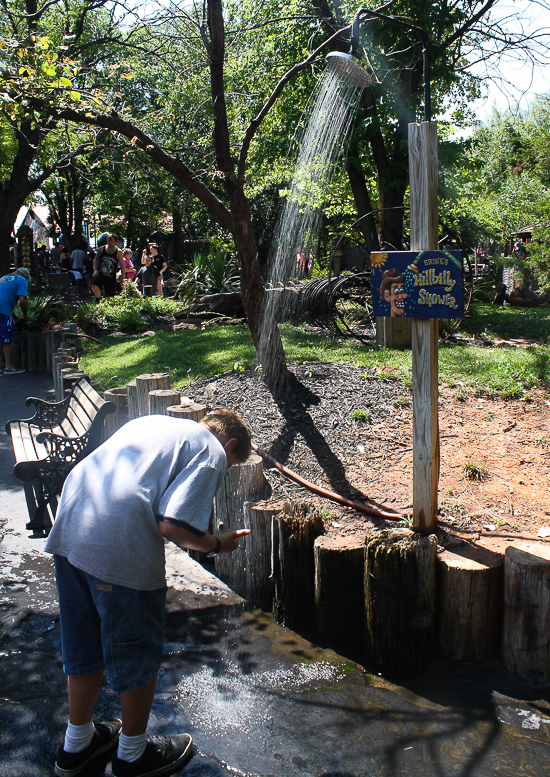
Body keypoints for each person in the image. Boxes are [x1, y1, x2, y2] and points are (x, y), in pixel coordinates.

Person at [44, 410, 252, 777]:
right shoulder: (212, 449)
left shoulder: (156, 423)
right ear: (230, 444)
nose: (225, 470)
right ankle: (133, 755)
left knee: (83, 641)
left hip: (71, 520)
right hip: (117, 536)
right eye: (232, 465)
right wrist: (219, 544)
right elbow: (173, 525)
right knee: (136, 648)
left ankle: (76, 745)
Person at [0, 267, 30, 374]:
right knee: (7, 338)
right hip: (3, 310)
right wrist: (25, 315)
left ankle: (1, 365)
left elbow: (4, 299)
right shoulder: (22, 280)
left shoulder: (4, 278)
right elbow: (22, 301)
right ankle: (8, 367)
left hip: (2, 309)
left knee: (0, 337)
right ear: (26, 276)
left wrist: (16, 317)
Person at [92, 233, 125, 300]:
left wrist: (123, 276)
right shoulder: (101, 249)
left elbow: (122, 264)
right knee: (94, 285)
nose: (110, 243)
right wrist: (95, 270)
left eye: (111, 241)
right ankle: (99, 299)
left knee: (109, 297)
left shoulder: (118, 251)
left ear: (115, 241)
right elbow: (96, 260)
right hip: (101, 273)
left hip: (111, 276)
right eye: (108, 241)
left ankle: (107, 307)